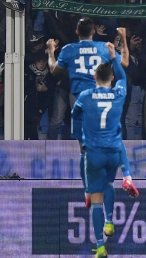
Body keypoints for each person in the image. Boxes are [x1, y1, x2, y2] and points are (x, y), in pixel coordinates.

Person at [47, 18, 137, 232]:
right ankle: (122, 177)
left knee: (84, 149)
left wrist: (50, 51)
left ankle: (87, 190)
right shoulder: (103, 48)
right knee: (113, 137)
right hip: (105, 96)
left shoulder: (68, 50)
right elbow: (124, 64)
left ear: (77, 30)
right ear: (95, 31)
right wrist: (123, 39)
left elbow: (53, 71)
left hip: (81, 98)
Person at [72, 61, 133, 258]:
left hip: (94, 152)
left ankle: (100, 245)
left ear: (95, 78)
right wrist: (114, 56)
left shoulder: (86, 96)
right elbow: (124, 78)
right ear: (112, 78)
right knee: (109, 184)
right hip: (113, 151)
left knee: (94, 198)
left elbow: (75, 114)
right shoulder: (118, 93)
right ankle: (109, 220)